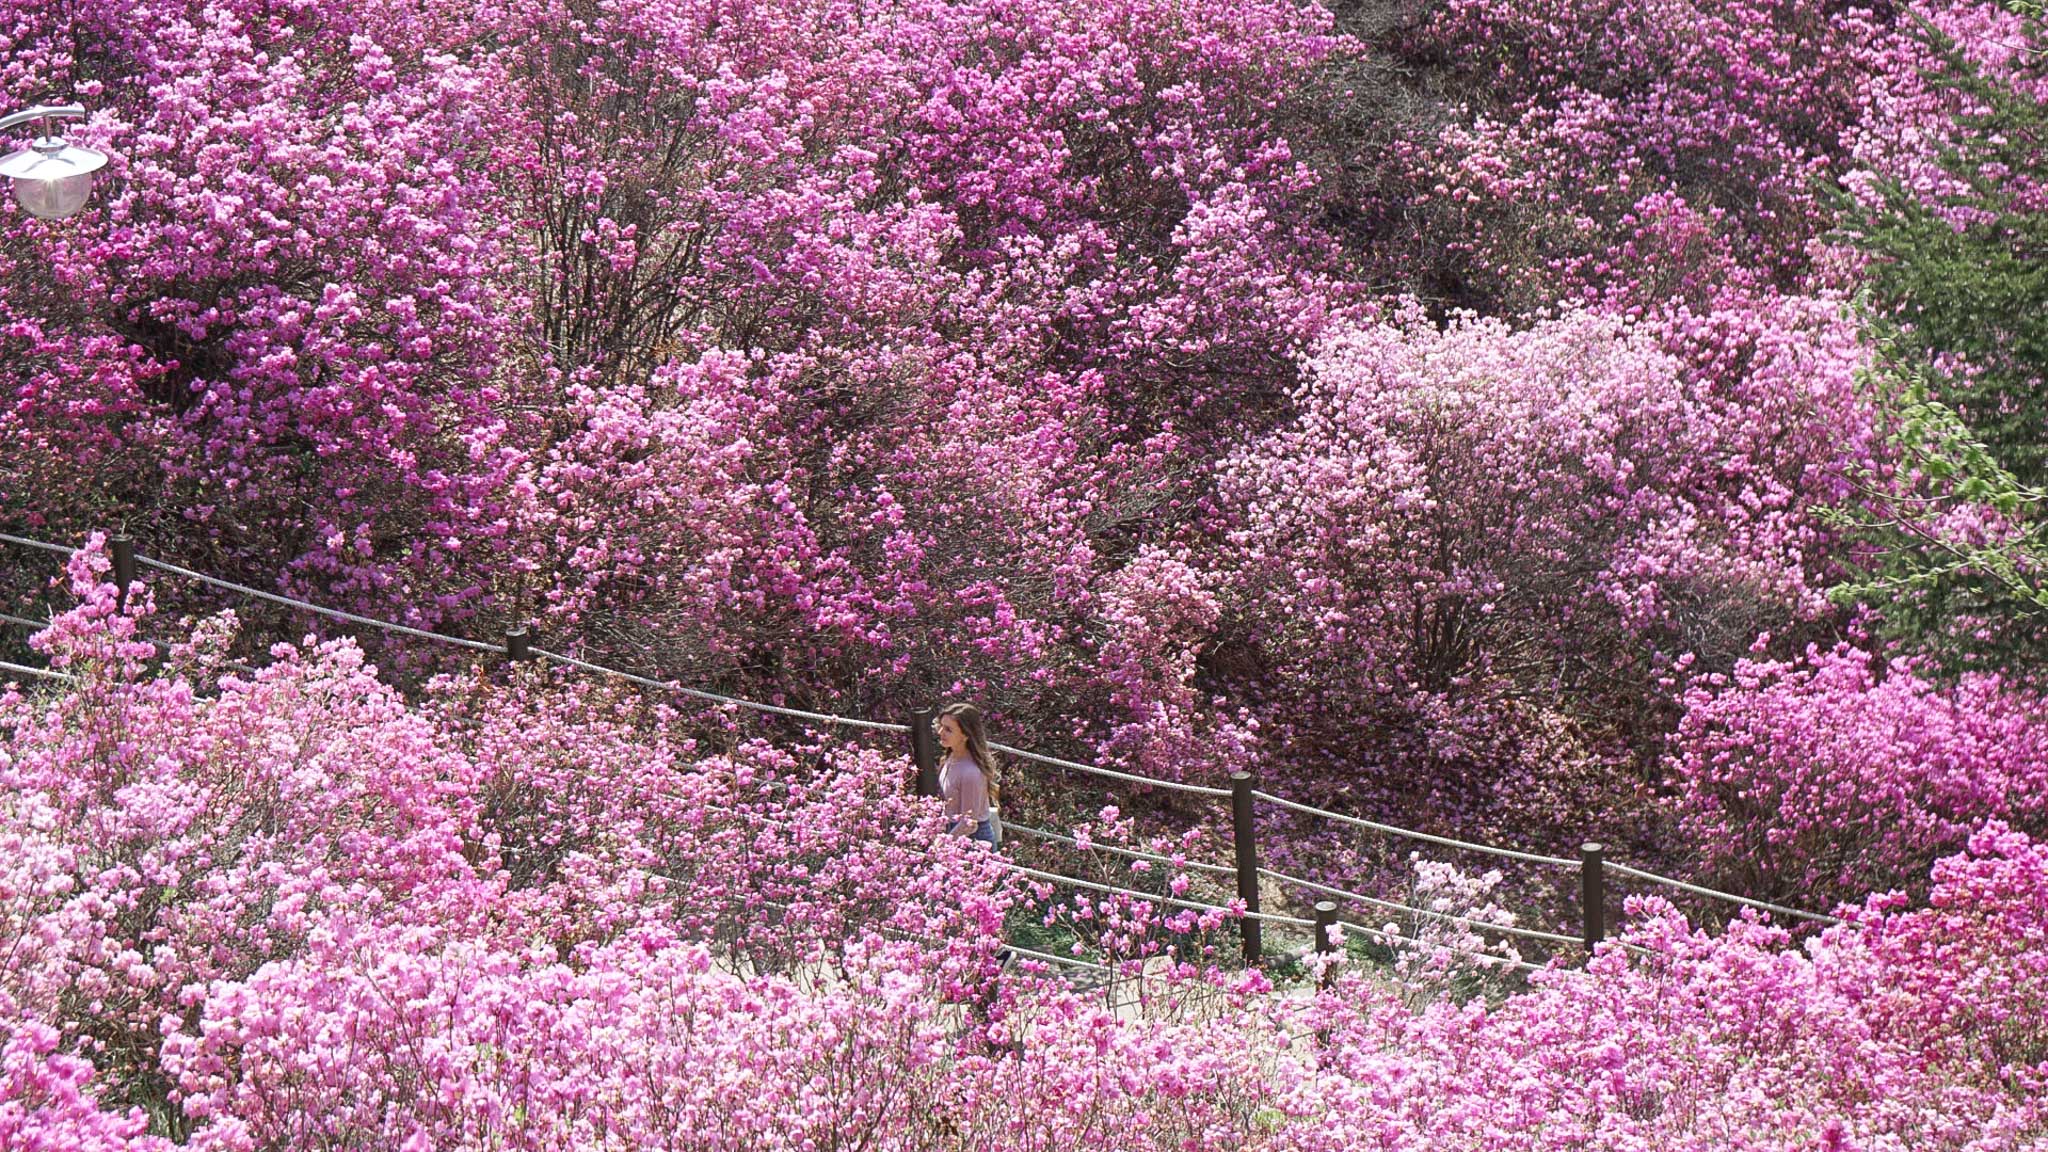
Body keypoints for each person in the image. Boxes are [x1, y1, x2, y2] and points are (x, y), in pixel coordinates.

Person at [934, 702, 1001, 848]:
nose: (940, 732)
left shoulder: (971, 773)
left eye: (948, 730)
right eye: (941, 726)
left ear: (965, 735)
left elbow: (969, 824)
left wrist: (940, 846)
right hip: (952, 832)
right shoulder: (949, 758)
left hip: (972, 841)